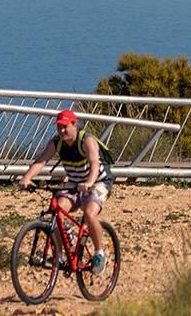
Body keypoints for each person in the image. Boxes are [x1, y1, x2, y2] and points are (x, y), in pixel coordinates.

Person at [18, 109, 114, 271]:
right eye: (59, 127)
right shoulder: (57, 143)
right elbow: (41, 161)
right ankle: (60, 256)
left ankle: (99, 253)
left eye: (65, 127)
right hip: (75, 183)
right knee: (57, 212)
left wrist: (89, 182)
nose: (62, 131)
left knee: (89, 213)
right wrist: (26, 178)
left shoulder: (87, 140)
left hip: (98, 181)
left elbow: (94, 164)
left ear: (74, 125)